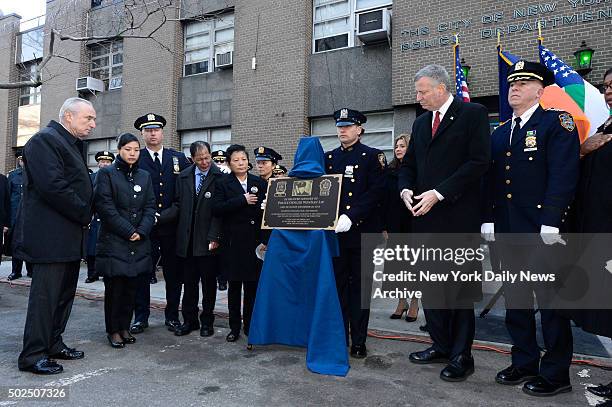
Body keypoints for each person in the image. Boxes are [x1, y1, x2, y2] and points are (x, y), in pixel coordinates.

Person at [481, 61, 580, 396]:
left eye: (523, 82)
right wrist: (488, 218)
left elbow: (563, 175)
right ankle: (524, 361)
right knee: (517, 301)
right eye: (512, 83)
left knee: (552, 306)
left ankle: (556, 374)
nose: (515, 88)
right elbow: (491, 181)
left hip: (542, 232)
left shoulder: (556, 123)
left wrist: (552, 219)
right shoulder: (499, 132)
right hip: (509, 232)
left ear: (540, 90)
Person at [398, 65, 490, 381]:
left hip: (457, 218)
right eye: (417, 92)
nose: (418, 97)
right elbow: (408, 165)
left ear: (441, 88)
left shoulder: (472, 114)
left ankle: (462, 355)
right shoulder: (421, 123)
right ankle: (440, 345)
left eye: (422, 91)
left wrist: (439, 193)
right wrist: (406, 188)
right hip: (424, 221)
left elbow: (479, 162)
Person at [15, 97, 95, 374]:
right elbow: (54, 187)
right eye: (88, 119)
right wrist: (85, 212)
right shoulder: (44, 141)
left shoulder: (70, 144)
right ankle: (32, 354)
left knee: (63, 296)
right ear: (69, 117)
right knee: (45, 299)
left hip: (69, 237)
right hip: (50, 238)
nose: (93, 125)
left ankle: (53, 343)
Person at [325, 108, 386, 358]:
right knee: (338, 288)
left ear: (359, 129)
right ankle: (340, 336)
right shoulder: (329, 158)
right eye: (340, 126)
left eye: (348, 126)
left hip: (361, 234)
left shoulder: (373, 157)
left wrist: (352, 215)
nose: (342, 130)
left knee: (359, 290)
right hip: (337, 236)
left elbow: (377, 192)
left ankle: (359, 340)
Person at [567, 68, 612, 400]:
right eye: (606, 86)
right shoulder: (605, 129)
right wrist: (583, 149)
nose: (608, 91)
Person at [130, 113, 189, 335]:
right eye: (148, 130)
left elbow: (183, 196)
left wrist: (162, 216)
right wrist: (148, 218)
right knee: (142, 273)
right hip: (145, 229)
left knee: (174, 275)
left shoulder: (178, 159)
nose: (152, 133)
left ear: (163, 132)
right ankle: (141, 317)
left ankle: (172, 316)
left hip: (172, 227)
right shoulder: (137, 158)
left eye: (156, 129)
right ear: (142, 134)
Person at [95, 133, 155, 348]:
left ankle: (125, 327)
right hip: (116, 241)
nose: (132, 153)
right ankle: (113, 330)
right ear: (119, 150)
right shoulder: (107, 174)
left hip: (138, 241)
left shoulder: (144, 176)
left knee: (132, 287)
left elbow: (150, 206)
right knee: (115, 289)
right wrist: (129, 231)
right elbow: (105, 207)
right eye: (128, 149)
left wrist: (142, 230)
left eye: (136, 150)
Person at [163, 141, 222, 337]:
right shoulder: (184, 176)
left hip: (208, 240)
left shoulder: (219, 176)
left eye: (207, 158)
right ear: (192, 159)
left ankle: (207, 322)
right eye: (200, 159)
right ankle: (190, 321)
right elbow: (178, 205)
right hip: (187, 240)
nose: (204, 162)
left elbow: (220, 213)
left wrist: (214, 236)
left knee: (208, 284)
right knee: (189, 284)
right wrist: (159, 217)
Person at [213, 144, 267, 343]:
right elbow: (217, 208)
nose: (241, 163)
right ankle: (234, 327)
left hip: (254, 243)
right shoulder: (223, 183)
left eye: (243, 159)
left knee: (252, 287)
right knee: (234, 288)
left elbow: (266, 213)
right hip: (232, 243)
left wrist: (265, 239)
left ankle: (250, 325)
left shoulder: (259, 182)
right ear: (229, 163)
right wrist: (241, 200)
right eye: (236, 160)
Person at [384, 134, 417, 322]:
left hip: (412, 224)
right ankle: (401, 302)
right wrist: (385, 227)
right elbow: (385, 201)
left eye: (402, 146)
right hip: (394, 225)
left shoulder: (417, 170)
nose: (398, 149)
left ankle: (414, 302)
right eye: (396, 146)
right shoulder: (389, 171)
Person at [85, 151, 115, 283]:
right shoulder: (91, 178)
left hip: (109, 217)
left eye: (107, 162)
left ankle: (105, 273)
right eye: (102, 162)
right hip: (94, 217)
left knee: (108, 247)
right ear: (98, 163)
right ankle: (92, 273)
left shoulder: (115, 177)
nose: (104, 164)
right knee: (92, 247)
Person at [6, 150, 33, 280]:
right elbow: (7, 198)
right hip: (14, 216)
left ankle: (31, 270)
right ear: (20, 161)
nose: (24, 162)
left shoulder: (35, 175)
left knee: (30, 243)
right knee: (16, 244)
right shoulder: (12, 176)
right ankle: (16, 271)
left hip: (29, 216)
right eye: (22, 160)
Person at [211, 150, 229, 292]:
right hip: (213, 219)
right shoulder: (213, 176)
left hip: (226, 221)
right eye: (216, 161)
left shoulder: (228, 177)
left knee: (223, 254)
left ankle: (222, 280)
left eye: (222, 161)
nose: (219, 164)